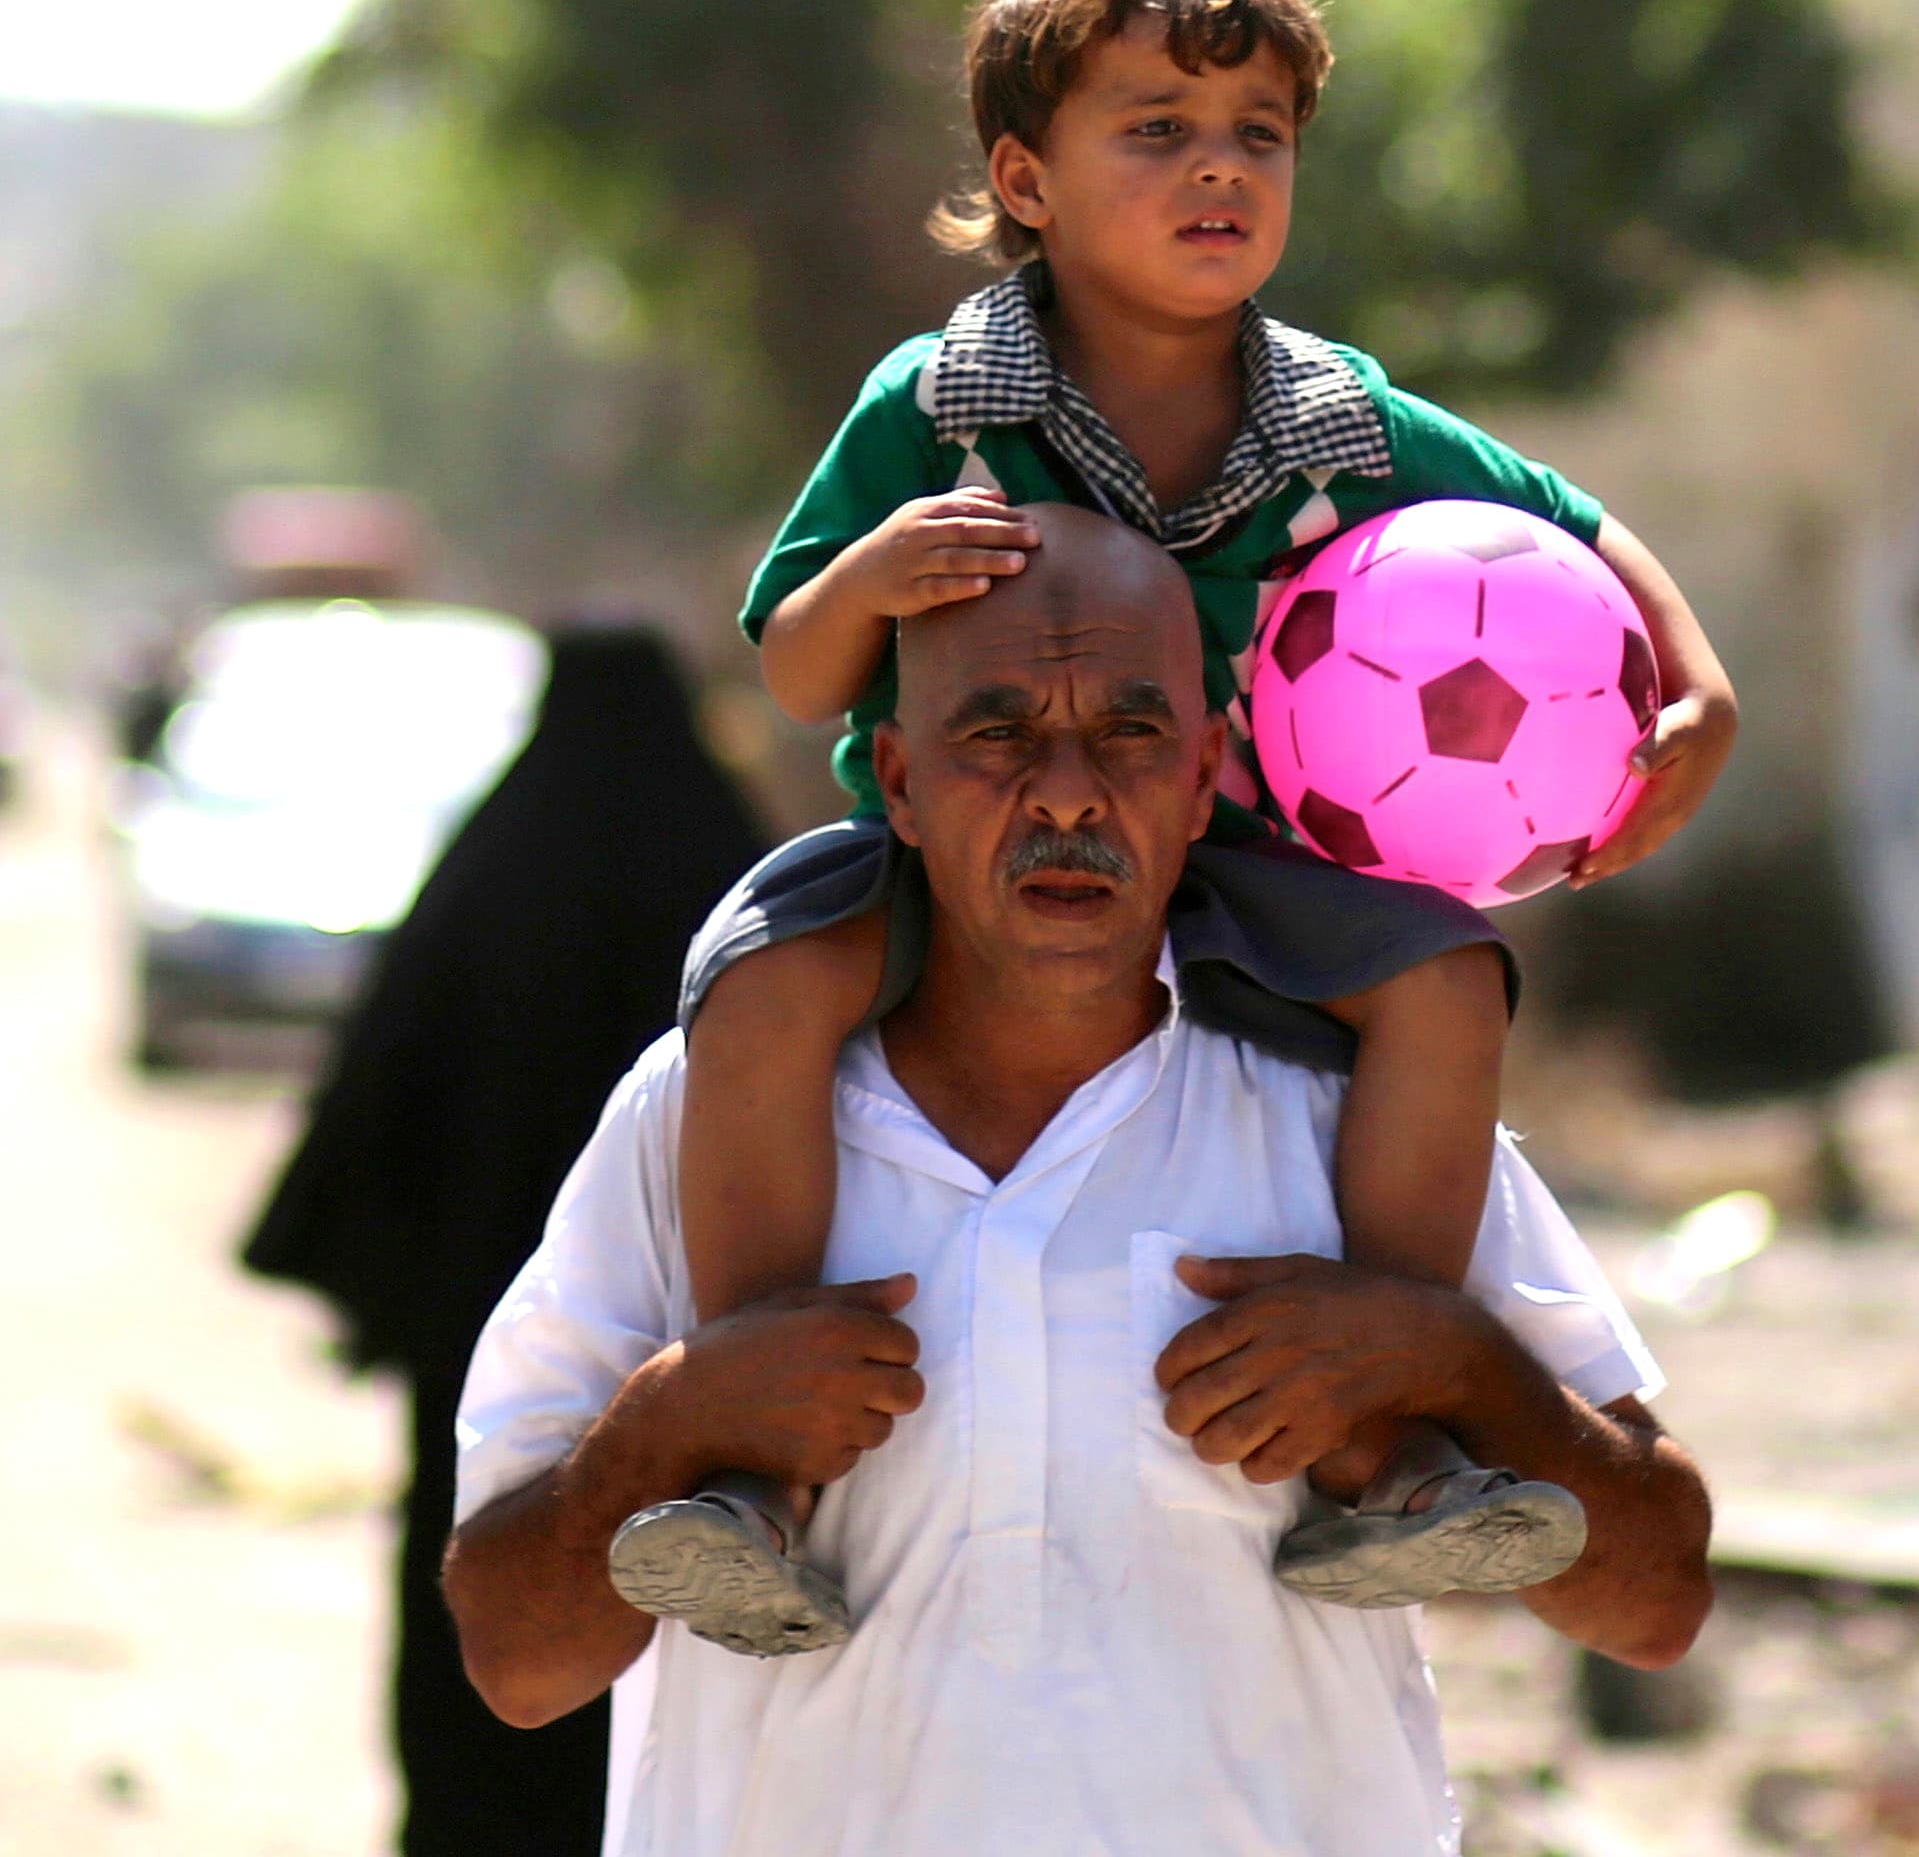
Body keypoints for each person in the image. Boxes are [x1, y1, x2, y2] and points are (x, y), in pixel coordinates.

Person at [624, 0, 1739, 1654]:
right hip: (959, 871)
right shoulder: (937, 399)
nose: (1220, 169)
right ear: (1028, 180)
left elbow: (1572, 524)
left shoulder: (1339, 420)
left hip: (1244, 877)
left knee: (1448, 981)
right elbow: (794, 664)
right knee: (761, 984)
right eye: (1158, 130)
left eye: (1259, 135)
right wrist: (873, 579)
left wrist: (1695, 686)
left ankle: (1390, 1454)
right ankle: (752, 1475)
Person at [443, 520, 1712, 1854]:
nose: (1065, 795)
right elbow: (513, 1663)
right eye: (995, 735)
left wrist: (1455, 1368)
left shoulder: (1348, 1113)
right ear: (899, 783)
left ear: (1208, 772)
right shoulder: (703, 1115)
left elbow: (1659, 1599)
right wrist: (675, 1425)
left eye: (1130, 734)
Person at [243, 626, 768, 1857]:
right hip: (704, 1365)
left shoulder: (486, 878)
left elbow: (379, 1097)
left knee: (489, 1627)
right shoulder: (732, 886)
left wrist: (393, 1305)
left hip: (476, 1352)